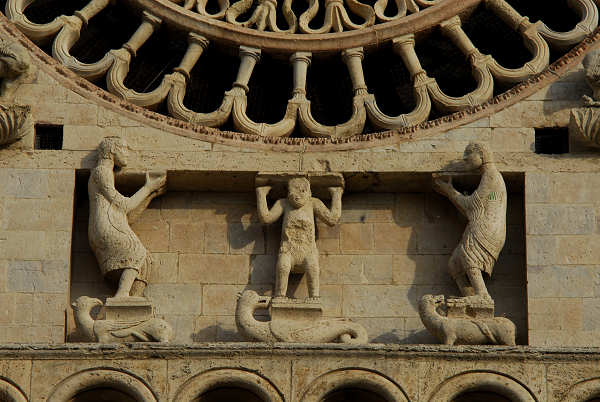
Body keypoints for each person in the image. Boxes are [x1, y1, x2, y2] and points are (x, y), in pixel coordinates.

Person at [88, 136, 166, 298]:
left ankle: (131, 302)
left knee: (146, 261)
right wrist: (147, 187)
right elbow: (124, 206)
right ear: (112, 150)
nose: (127, 154)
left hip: (111, 224)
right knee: (136, 251)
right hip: (105, 225)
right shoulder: (102, 171)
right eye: (124, 149)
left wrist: (150, 195)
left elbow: (126, 217)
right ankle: (122, 294)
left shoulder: (106, 172)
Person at [433, 142, 506, 301]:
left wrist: (450, 191)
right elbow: (470, 210)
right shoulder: (487, 176)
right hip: (478, 224)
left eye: (468, 157)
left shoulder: (491, 175)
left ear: (481, 155)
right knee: (454, 264)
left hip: (487, 227)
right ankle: (470, 297)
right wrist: (452, 194)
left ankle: (483, 296)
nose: (465, 161)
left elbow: (470, 205)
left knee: (469, 257)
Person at [256, 177, 343, 302]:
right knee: (283, 266)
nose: (297, 196)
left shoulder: (313, 203)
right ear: (288, 193)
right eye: (293, 191)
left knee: (312, 267)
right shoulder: (284, 203)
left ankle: (314, 296)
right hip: (288, 249)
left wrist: (336, 194)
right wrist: (261, 194)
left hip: (308, 250)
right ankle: (280, 295)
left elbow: (332, 219)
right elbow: (266, 218)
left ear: (309, 192)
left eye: (302, 191)